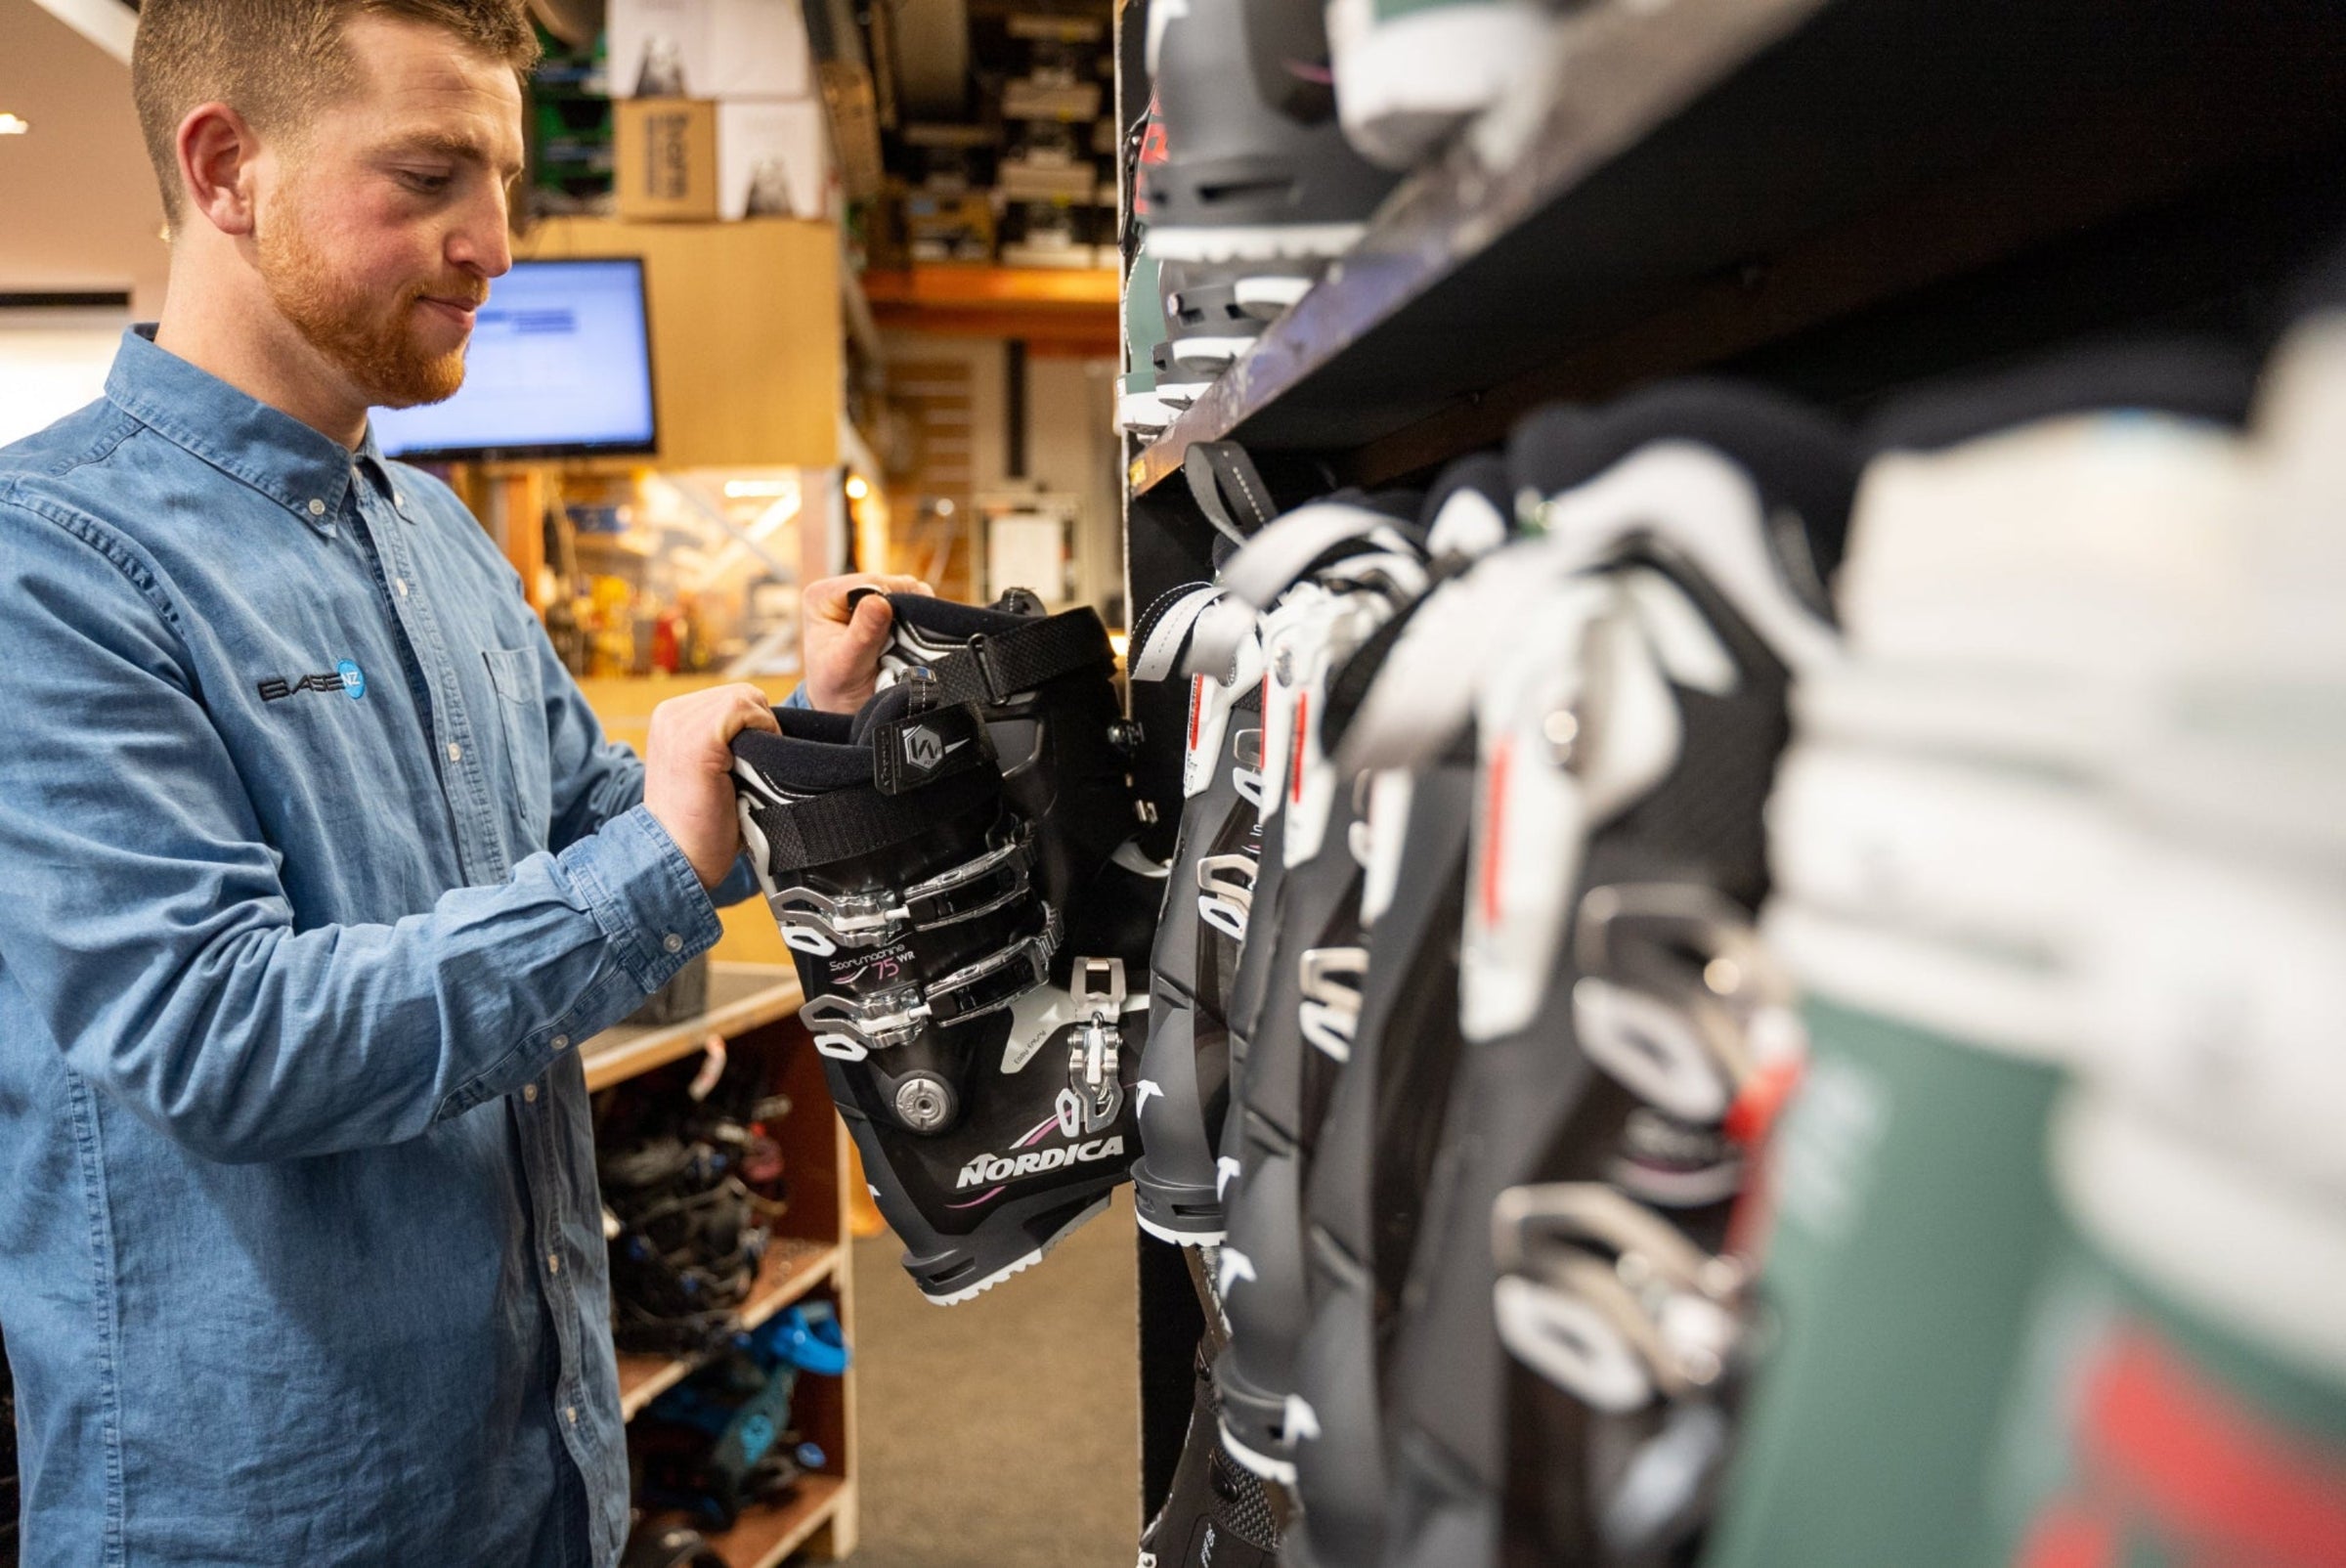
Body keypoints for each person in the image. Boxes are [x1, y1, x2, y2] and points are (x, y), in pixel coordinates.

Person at [0, 1, 921, 1561]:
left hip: (535, 1470)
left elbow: (598, 828)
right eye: (429, 177)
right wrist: (654, 867)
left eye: (501, 181)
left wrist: (807, 750)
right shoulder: (53, 563)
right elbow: (214, 1038)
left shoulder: (436, 538)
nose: (494, 244)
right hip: (263, 1518)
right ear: (226, 168)